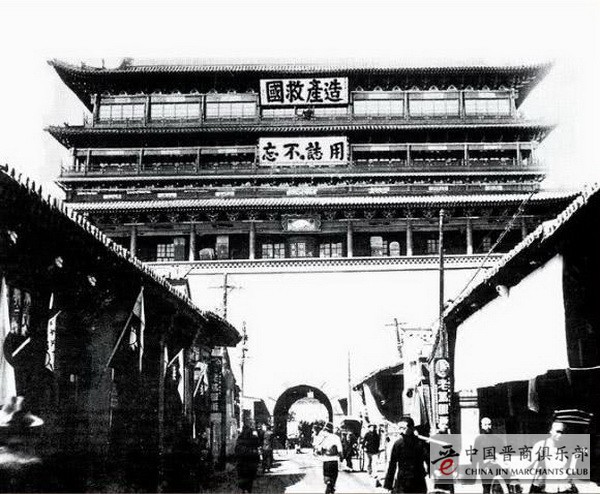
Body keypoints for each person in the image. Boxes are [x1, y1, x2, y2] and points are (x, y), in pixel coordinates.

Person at [529, 420, 578, 493]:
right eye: (557, 431)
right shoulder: (541, 446)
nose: (560, 435)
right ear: (550, 430)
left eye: (563, 432)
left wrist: (575, 459)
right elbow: (529, 467)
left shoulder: (567, 448)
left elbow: (570, 472)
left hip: (564, 488)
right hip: (546, 489)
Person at [384, 417, 427, 493]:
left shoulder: (420, 443)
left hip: (418, 480)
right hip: (403, 481)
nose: (401, 431)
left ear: (411, 428)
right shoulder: (398, 444)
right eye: (400, 428)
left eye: (403, 428)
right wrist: (388, 483)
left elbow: (428, 459)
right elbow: (392, 464)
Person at [473, 417, 507, 494]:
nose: (488, 427)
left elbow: (502, 452)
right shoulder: (478, 439)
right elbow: (475, 456)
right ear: (481, 426)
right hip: (484, 467)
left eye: (489, 424)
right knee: (486, 488)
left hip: (496, 466)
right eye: (485, 425)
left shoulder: (497, 439)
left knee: (498, 487)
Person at [313, 422, 343, 494]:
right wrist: (341, 457)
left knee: (326, 476)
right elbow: (340, 450)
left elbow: (318, 449)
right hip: (334, 460)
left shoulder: (323, 438)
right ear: (332, 430)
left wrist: (319, 452)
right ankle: (332, 487)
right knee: (334, 476)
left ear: (326, 429)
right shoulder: (336, 437)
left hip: (326, 460)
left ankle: (328, 483)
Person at [235, 421, 261, 493]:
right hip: (251, 461)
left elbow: (236, 449)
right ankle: (248, 490)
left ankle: (243, 489)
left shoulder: (240, 438)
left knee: (242, 476)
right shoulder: (254, 438)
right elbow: (258, 445)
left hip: (242, 462)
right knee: (250, 476)